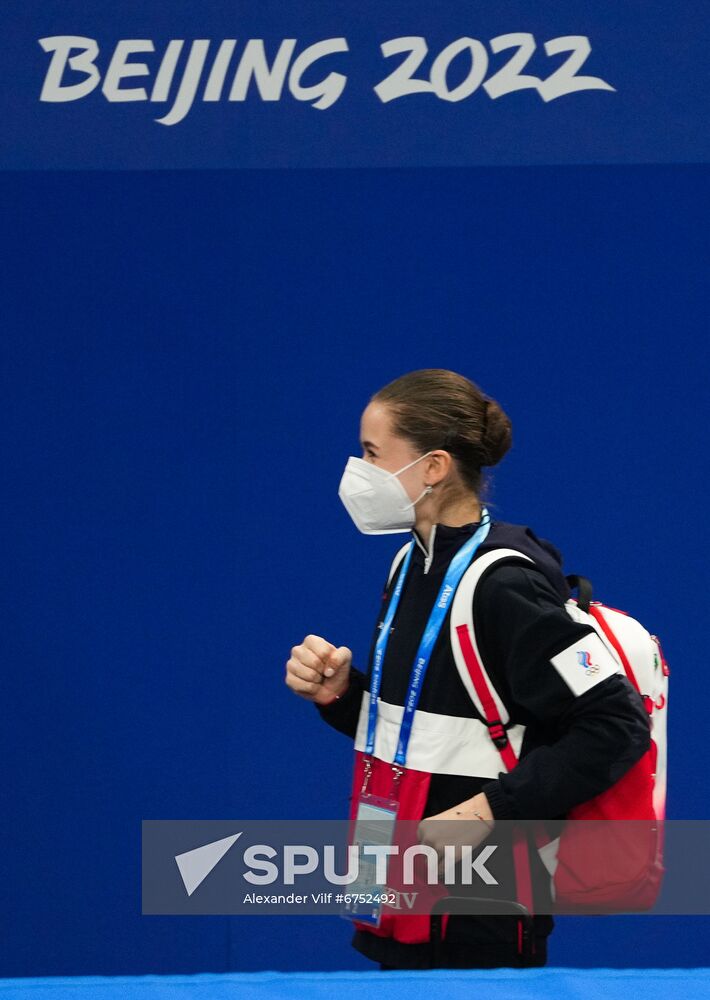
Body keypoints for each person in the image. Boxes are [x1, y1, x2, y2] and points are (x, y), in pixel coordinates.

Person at [285, 369, 651, 969]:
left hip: (478, 904)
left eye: (373, 454)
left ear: (433, 467)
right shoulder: (409, 563)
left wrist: (490, 811)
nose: (359, 470)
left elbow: (615, 725)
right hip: (395, 883)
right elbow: (435, 730)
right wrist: (343, 695)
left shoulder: (505, 582)